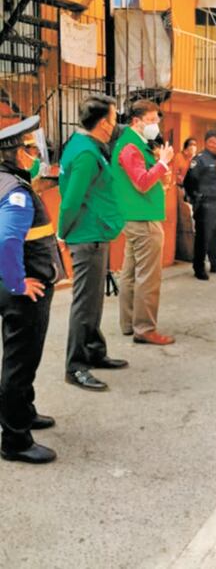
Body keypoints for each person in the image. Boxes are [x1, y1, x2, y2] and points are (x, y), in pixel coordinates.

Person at [0, 117, 63, 463]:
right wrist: (18, 282)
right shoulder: (16, 194)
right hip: (24, 290)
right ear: (12, 153)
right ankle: (16, 440)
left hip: (10, 285)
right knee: (21, 361)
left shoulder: (7, 182)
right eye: (28, 148)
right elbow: (7, 239)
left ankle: (21, 412)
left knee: (19, 358)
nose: (33, 153)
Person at [58, 95, 128, 392]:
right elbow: (71, 201)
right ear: (102, 124)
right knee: (85, 304)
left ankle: (95, 351)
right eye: (113, 120)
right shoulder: (86, 153)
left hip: (94, 233)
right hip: (86, 236)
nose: (114, 126)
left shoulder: (85, 146)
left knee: (94, 299)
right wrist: (63, 233)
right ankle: (76, 366)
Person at [110, 100, 175, 347]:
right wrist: (163, 162)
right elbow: (142, 182)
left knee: (129, 273)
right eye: (152, 121)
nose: (156, 125)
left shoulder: (135, 144)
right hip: (143, 218)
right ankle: (145, 328)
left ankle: (129, 323)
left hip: (135, 216)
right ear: (136, 121)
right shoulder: (130, 147)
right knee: (148, 276)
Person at [184, 129, 216, 280]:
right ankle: (198, 267)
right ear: (209, 142)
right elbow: (189, 180)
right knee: (203, 237)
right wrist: (196, 197)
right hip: (207, 204)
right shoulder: (200, 159)